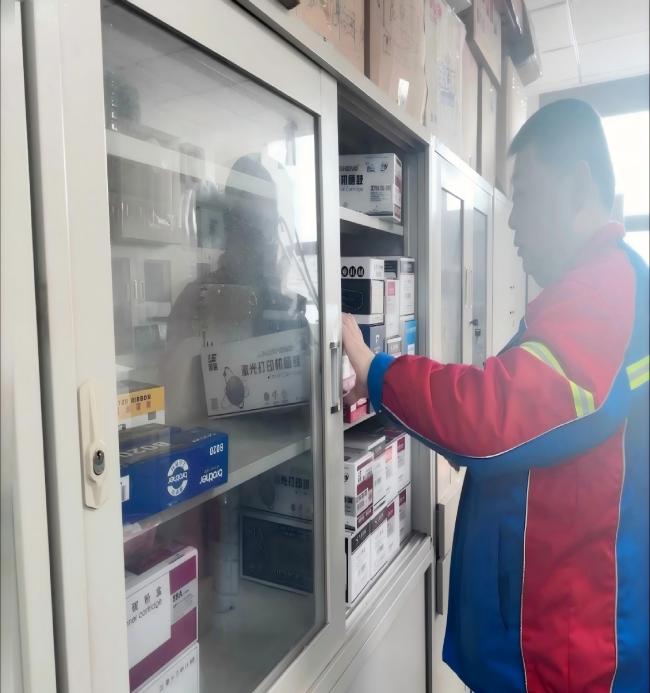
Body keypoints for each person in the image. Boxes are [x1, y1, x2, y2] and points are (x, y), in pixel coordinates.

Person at [342, 99, 649, 693]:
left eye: (525, 196)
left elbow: (491, 418)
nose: (511, 223)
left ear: (577, 186)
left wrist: (375, 369)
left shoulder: (603, 295)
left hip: (568, 656)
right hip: (565, 633)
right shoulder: (608, 285)